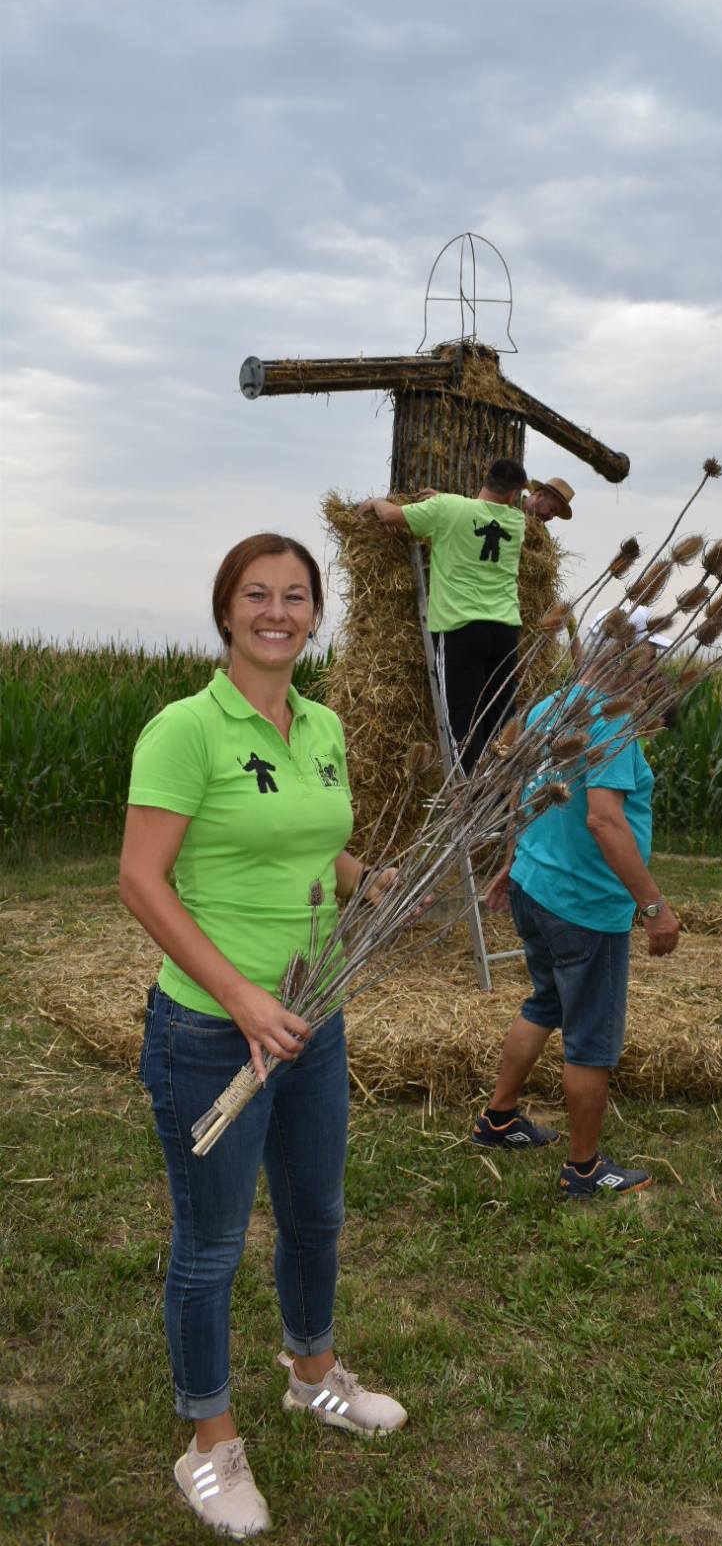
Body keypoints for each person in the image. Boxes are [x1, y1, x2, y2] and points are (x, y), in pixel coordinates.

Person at [120, 533, 407, 1540]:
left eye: (295, 595)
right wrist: (239, 997)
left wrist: (361, 877)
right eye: (257, 594)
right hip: (212, 1028)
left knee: (315, 1213)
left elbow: (316, 840)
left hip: (311, 1014)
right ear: (226, 610)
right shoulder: (184, 729)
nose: (276, 610)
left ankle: (313, 1372)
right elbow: (140, 881)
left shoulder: (320, 724)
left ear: (314, 614)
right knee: (210, 1246)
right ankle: (208, 1444)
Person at [474, 606, 681, 1196]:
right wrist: (653, 907)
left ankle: (499, 1117)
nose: (655, 669)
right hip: (585, 907)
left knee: (546, 1001)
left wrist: (513, 863)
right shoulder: (612, 723)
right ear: (625, 657)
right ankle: (584, 1168)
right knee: (590, 1035)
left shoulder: (549, 706)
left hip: (537, 889)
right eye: (651, 657)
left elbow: (525, 792)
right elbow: (605, 821)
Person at [361, 458, 527, 774]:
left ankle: (472, 798)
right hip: (504, 631)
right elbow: (471, 511)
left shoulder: (449, 508)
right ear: (513, 496)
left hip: (461, 630)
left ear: (485, 477)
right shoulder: (517, 522)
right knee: (502, 716)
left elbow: (393, 517)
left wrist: (376, 502)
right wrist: (444, 501)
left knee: (462, 722)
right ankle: (504, 790)